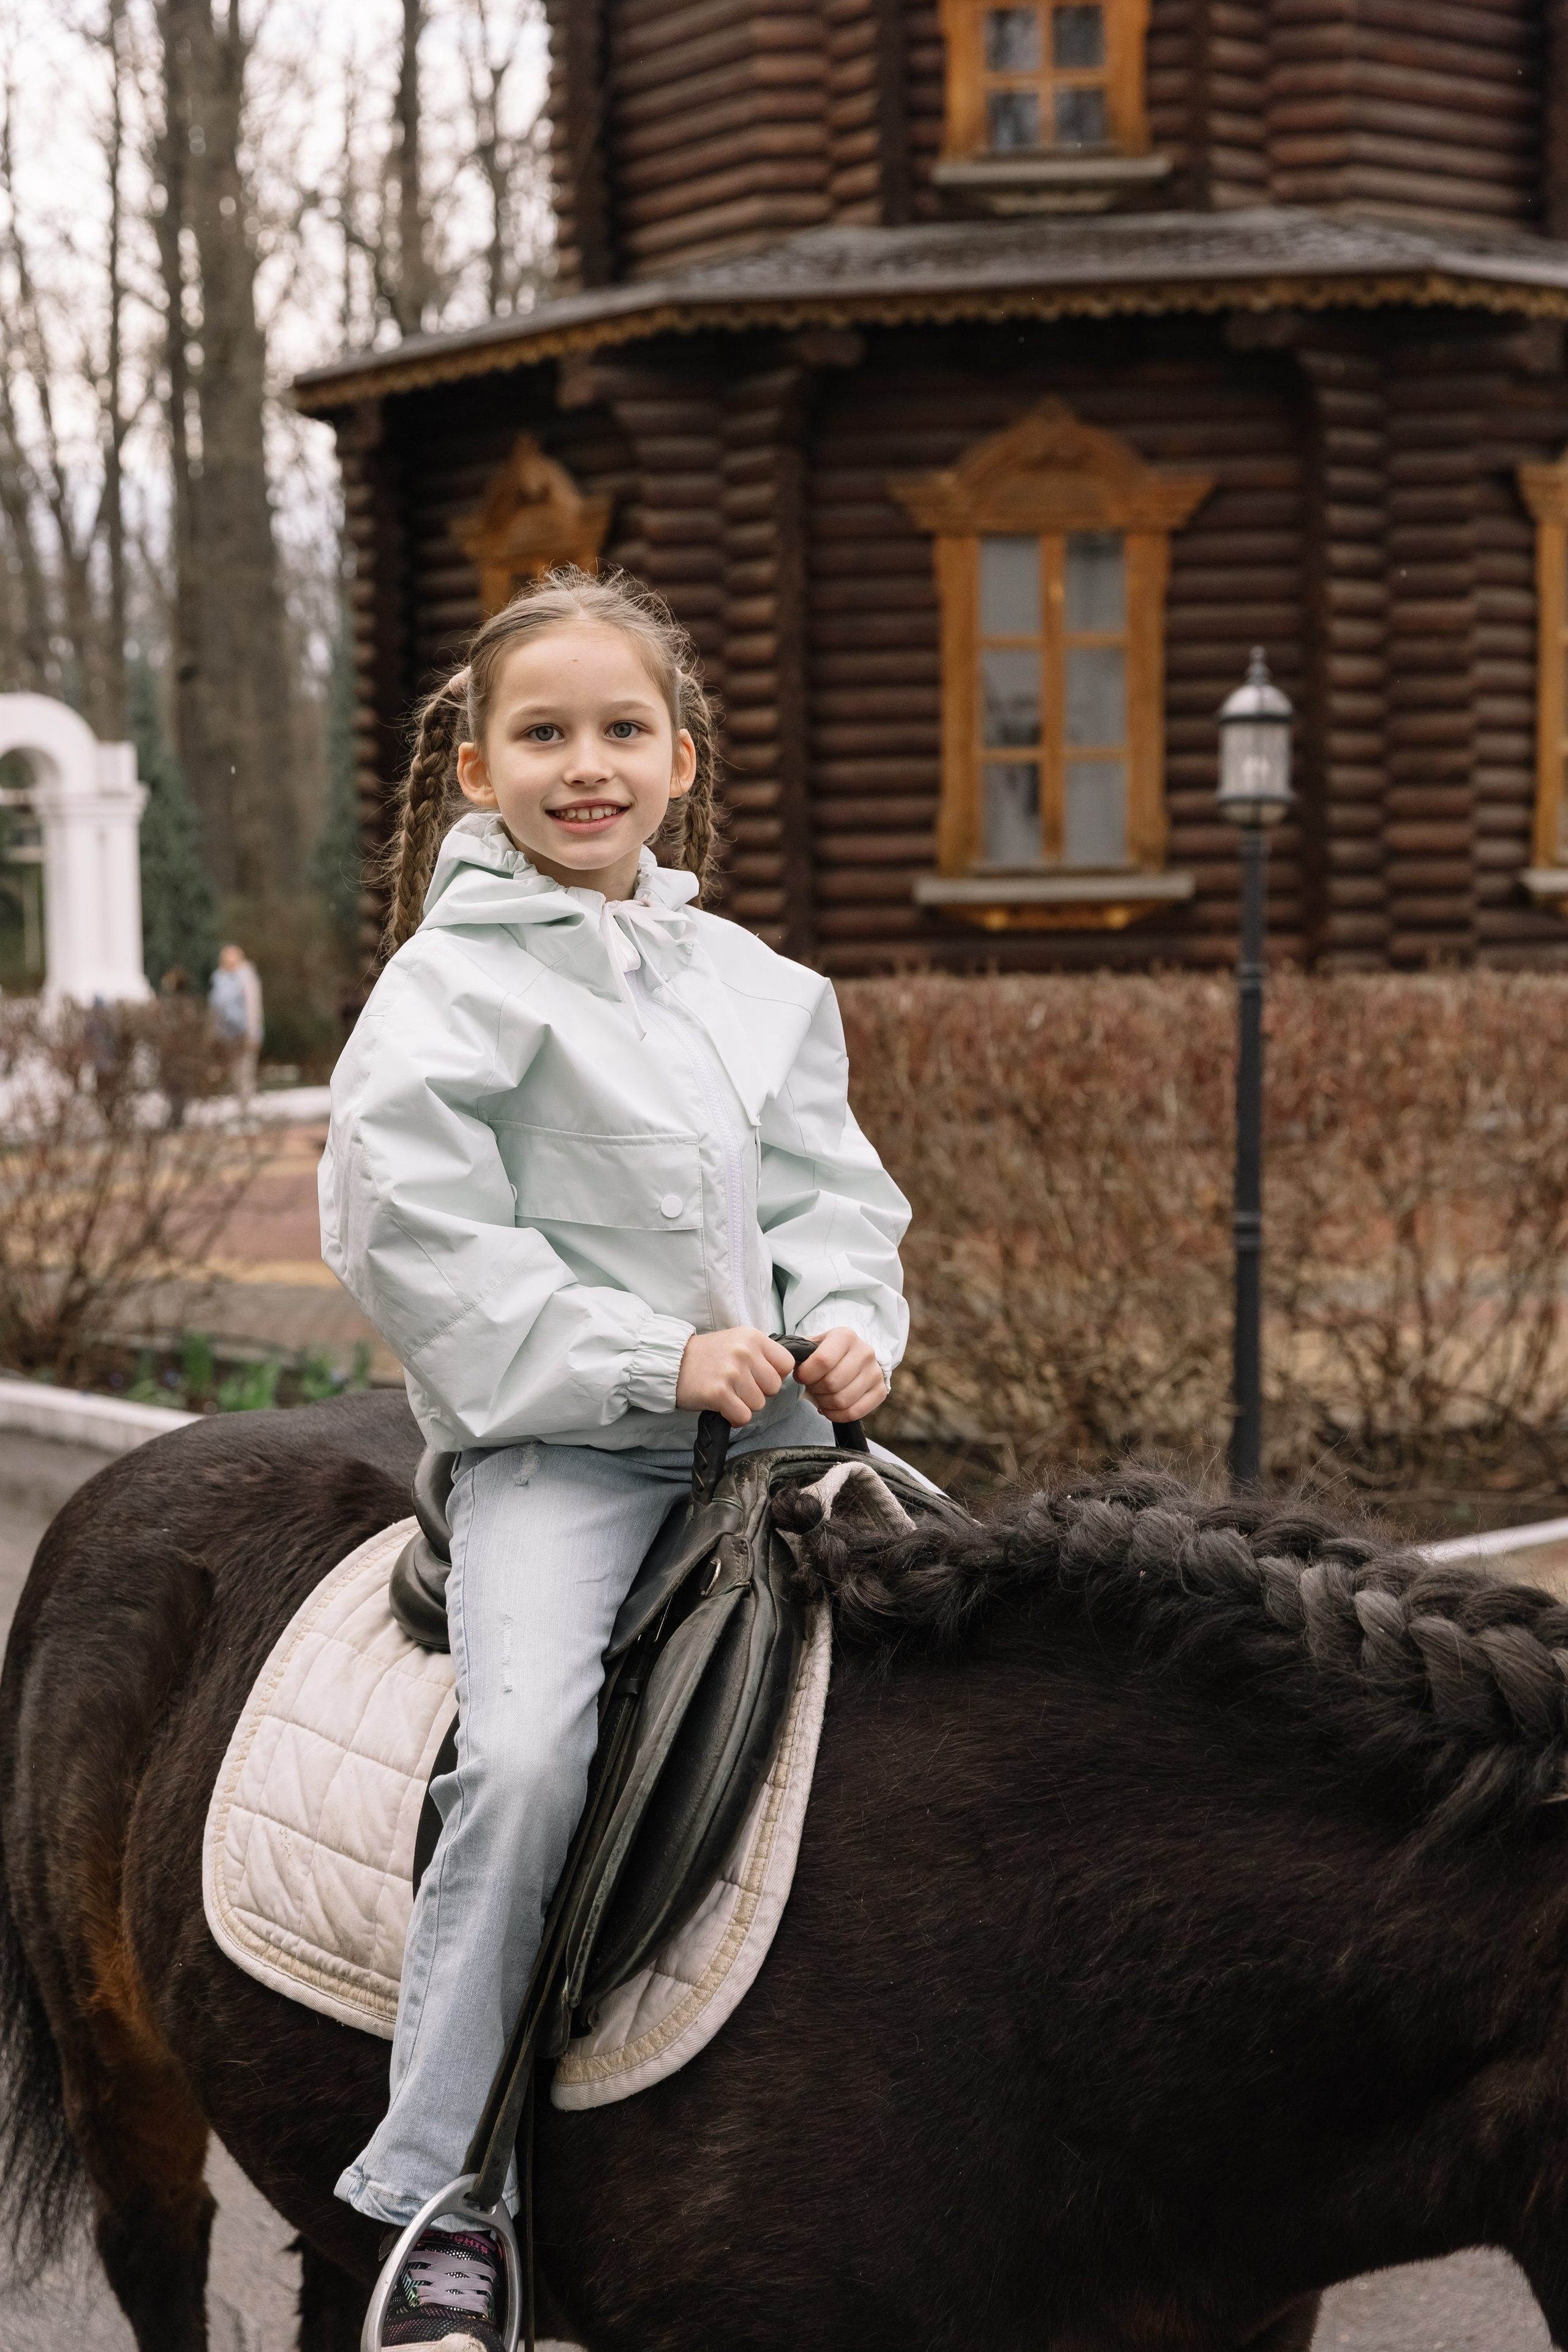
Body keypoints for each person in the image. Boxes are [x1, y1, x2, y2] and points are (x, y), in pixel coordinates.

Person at [318, 568, 911, 2352]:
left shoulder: (757, 982)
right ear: (478, 771)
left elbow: (828, 1191)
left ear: (678, 756)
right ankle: (441, 2199)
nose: (588, 764)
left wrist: (852, 1308)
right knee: (516, 1757)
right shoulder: (443, 993)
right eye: (545, 734)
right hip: (565, 1453)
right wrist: (645, 1350)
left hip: (790, 1438)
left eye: (620, 730)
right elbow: (406, 1227)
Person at [209, 941, 263, 1109]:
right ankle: (241, 1109)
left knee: (245, 1072)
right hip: (227, 1035)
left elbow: (253, 1007)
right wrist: (212, 1033)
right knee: (234, 1074)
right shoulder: (219, 979)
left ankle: (247, 1110)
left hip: (245, 1033)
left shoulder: (247, 978)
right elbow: (214, 1009)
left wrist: (253, 1033)